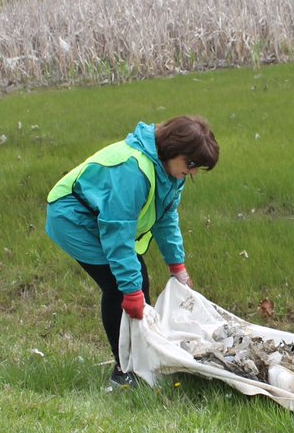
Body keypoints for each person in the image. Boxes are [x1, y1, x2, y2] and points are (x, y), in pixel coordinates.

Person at [46, 116, 219, 389]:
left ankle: (142, 360)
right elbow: (118, 233)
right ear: (173, 150)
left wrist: (177, 267)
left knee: (137, 283)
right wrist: (131, 291)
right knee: (119, 288)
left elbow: (166, 218)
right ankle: (124, 372)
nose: (194, 172)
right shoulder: (133, 171)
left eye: (198, 167)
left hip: (103, 219)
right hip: (73, 218)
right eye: (191, 164)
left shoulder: (172, 173)